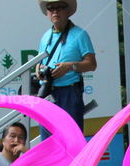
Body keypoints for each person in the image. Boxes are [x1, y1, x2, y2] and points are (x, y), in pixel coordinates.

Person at [35, 0, 96, 133]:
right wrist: (38, 68)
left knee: (71, 139)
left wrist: (70, 67)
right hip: (47, 92)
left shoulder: (80, 34)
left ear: (68, 11)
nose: (55, 11)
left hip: (69, 92)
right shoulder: (45, 36)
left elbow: (91, 64)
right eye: (51, 8)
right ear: (47, 12)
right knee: (48, 140)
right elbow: (40, 61)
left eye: (60, 7)